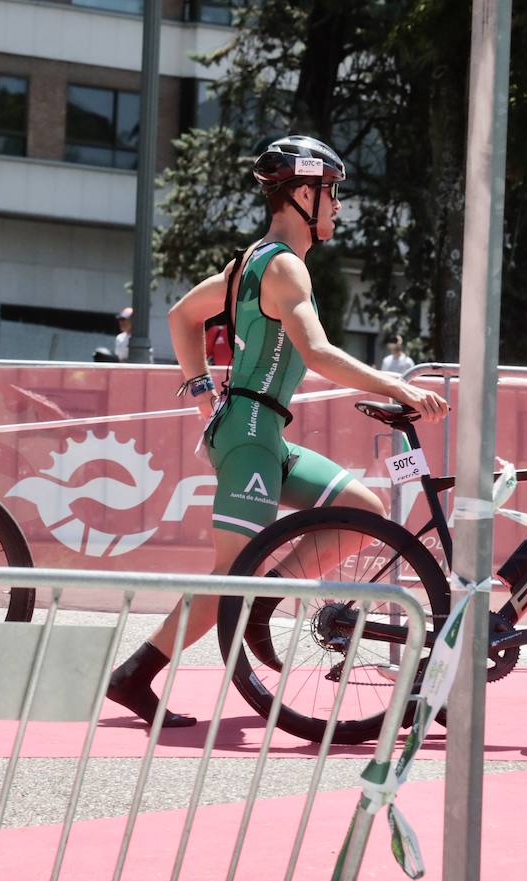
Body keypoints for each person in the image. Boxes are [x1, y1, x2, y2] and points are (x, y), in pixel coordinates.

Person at [106, 136, 449, 727]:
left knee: (358, 511)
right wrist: (398, 387)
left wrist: (199, 389)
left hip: (260, 431)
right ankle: (136, 673)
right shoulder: (284, 266)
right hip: (249, 434)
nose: (339, 206)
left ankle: (262, 603)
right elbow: (315, 351)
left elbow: (181, 315)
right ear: (302, 194)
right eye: (332, 193)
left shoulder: (249, 262)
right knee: (228, 579)